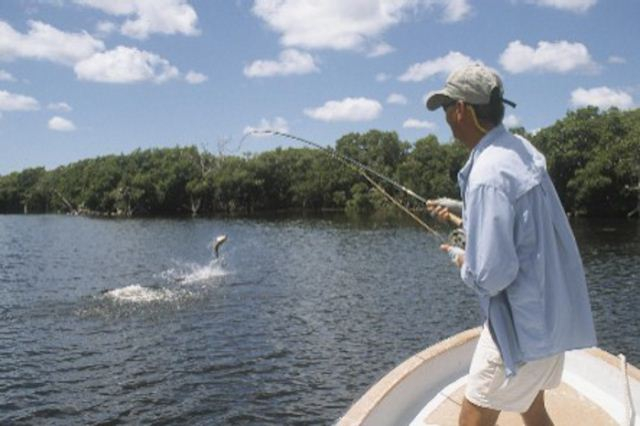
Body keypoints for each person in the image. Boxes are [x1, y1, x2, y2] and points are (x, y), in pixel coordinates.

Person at [425, 63, 597, 426]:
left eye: (446, 108)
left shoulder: (487, 174)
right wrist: (464, 209)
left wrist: (462, 261)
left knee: (472, 419)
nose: (446, 118)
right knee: (532, 409)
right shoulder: (519, 150)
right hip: (550, 316)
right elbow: (522, 227)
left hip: (521, 328)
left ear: (462, 110)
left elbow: (491, 275)